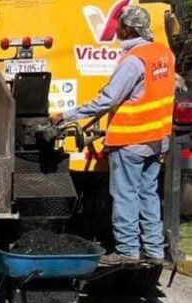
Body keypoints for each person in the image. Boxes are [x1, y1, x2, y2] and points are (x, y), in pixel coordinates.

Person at [51, 6, 175, 266]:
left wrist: (67, 115)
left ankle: (128, 250)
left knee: (126, 194)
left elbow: (108, 99)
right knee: (148, 194)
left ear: (128, 29)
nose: (115, 28)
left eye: (119, 24)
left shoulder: (133, 60)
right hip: (158, 139)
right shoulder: (164, 54)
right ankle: (154, 250)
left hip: (131, 140)